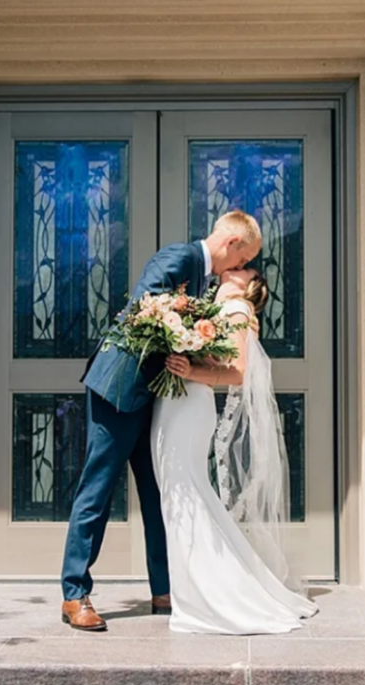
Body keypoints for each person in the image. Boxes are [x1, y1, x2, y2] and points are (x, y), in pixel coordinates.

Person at [60, 210, 262, 632]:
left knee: (158, 495)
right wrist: (190, 334)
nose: (241, 270)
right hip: (118, 390)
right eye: (244, 261)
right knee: (97, 491)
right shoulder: (178, 258)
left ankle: (164, 588)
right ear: (233, 245)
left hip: (154, 399)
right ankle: (74, 593)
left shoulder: (206, 279)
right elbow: (144, 314)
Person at [156, 268, 318, 634]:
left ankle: (212, 595)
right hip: (177, 403)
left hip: (189, 405)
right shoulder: (217, 307)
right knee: (182, 498)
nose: (234, 268)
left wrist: (188, 371)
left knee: (188, 498)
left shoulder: (236, 311)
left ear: (248, 285)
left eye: (244, 268)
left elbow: (237, 373)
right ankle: (198, 588)